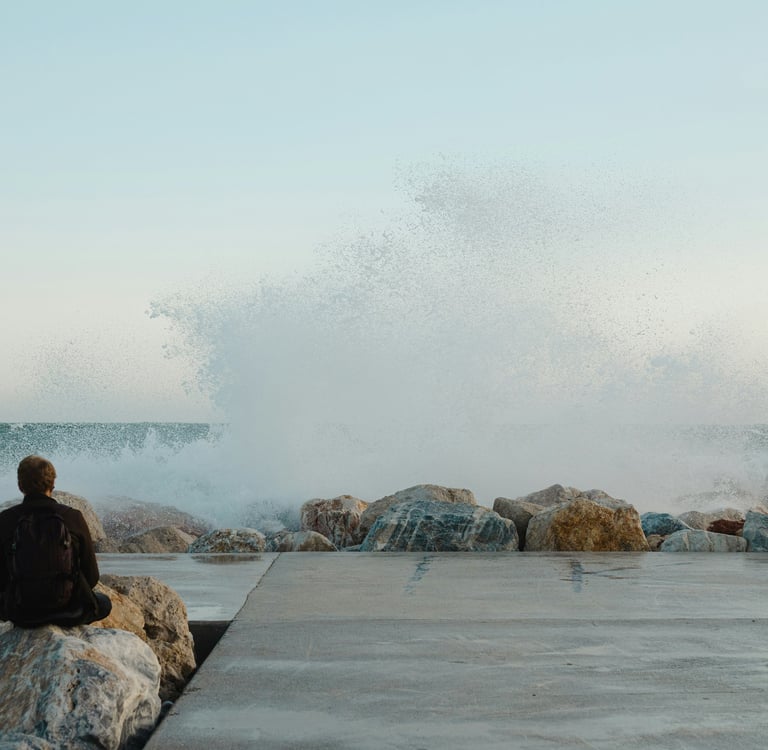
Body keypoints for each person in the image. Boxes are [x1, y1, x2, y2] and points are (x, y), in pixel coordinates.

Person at [0, 455, 111, 627]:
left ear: (20, 485)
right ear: (52, 484)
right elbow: (91, 576)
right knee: (104, 602)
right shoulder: (72, 516)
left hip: (22, 613)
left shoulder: (5, 519)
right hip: (69, 611)